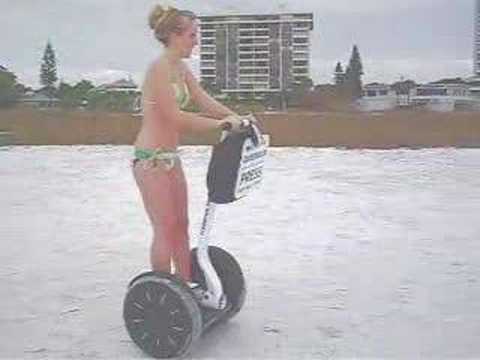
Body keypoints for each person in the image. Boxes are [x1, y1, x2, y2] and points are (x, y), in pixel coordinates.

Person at [132, 5, 243, 283]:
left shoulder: (180, 69)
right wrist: (220, 125)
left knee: (182, 226)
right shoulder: (158, 69)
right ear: (174, 35)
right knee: (164, 227)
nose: (196, 41)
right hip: (150, 159)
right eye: (193, 35)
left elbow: (203, 100)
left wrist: (234, 116)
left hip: (171, 157)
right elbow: (174, 117)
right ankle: (161, 291)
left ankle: (185, 285)